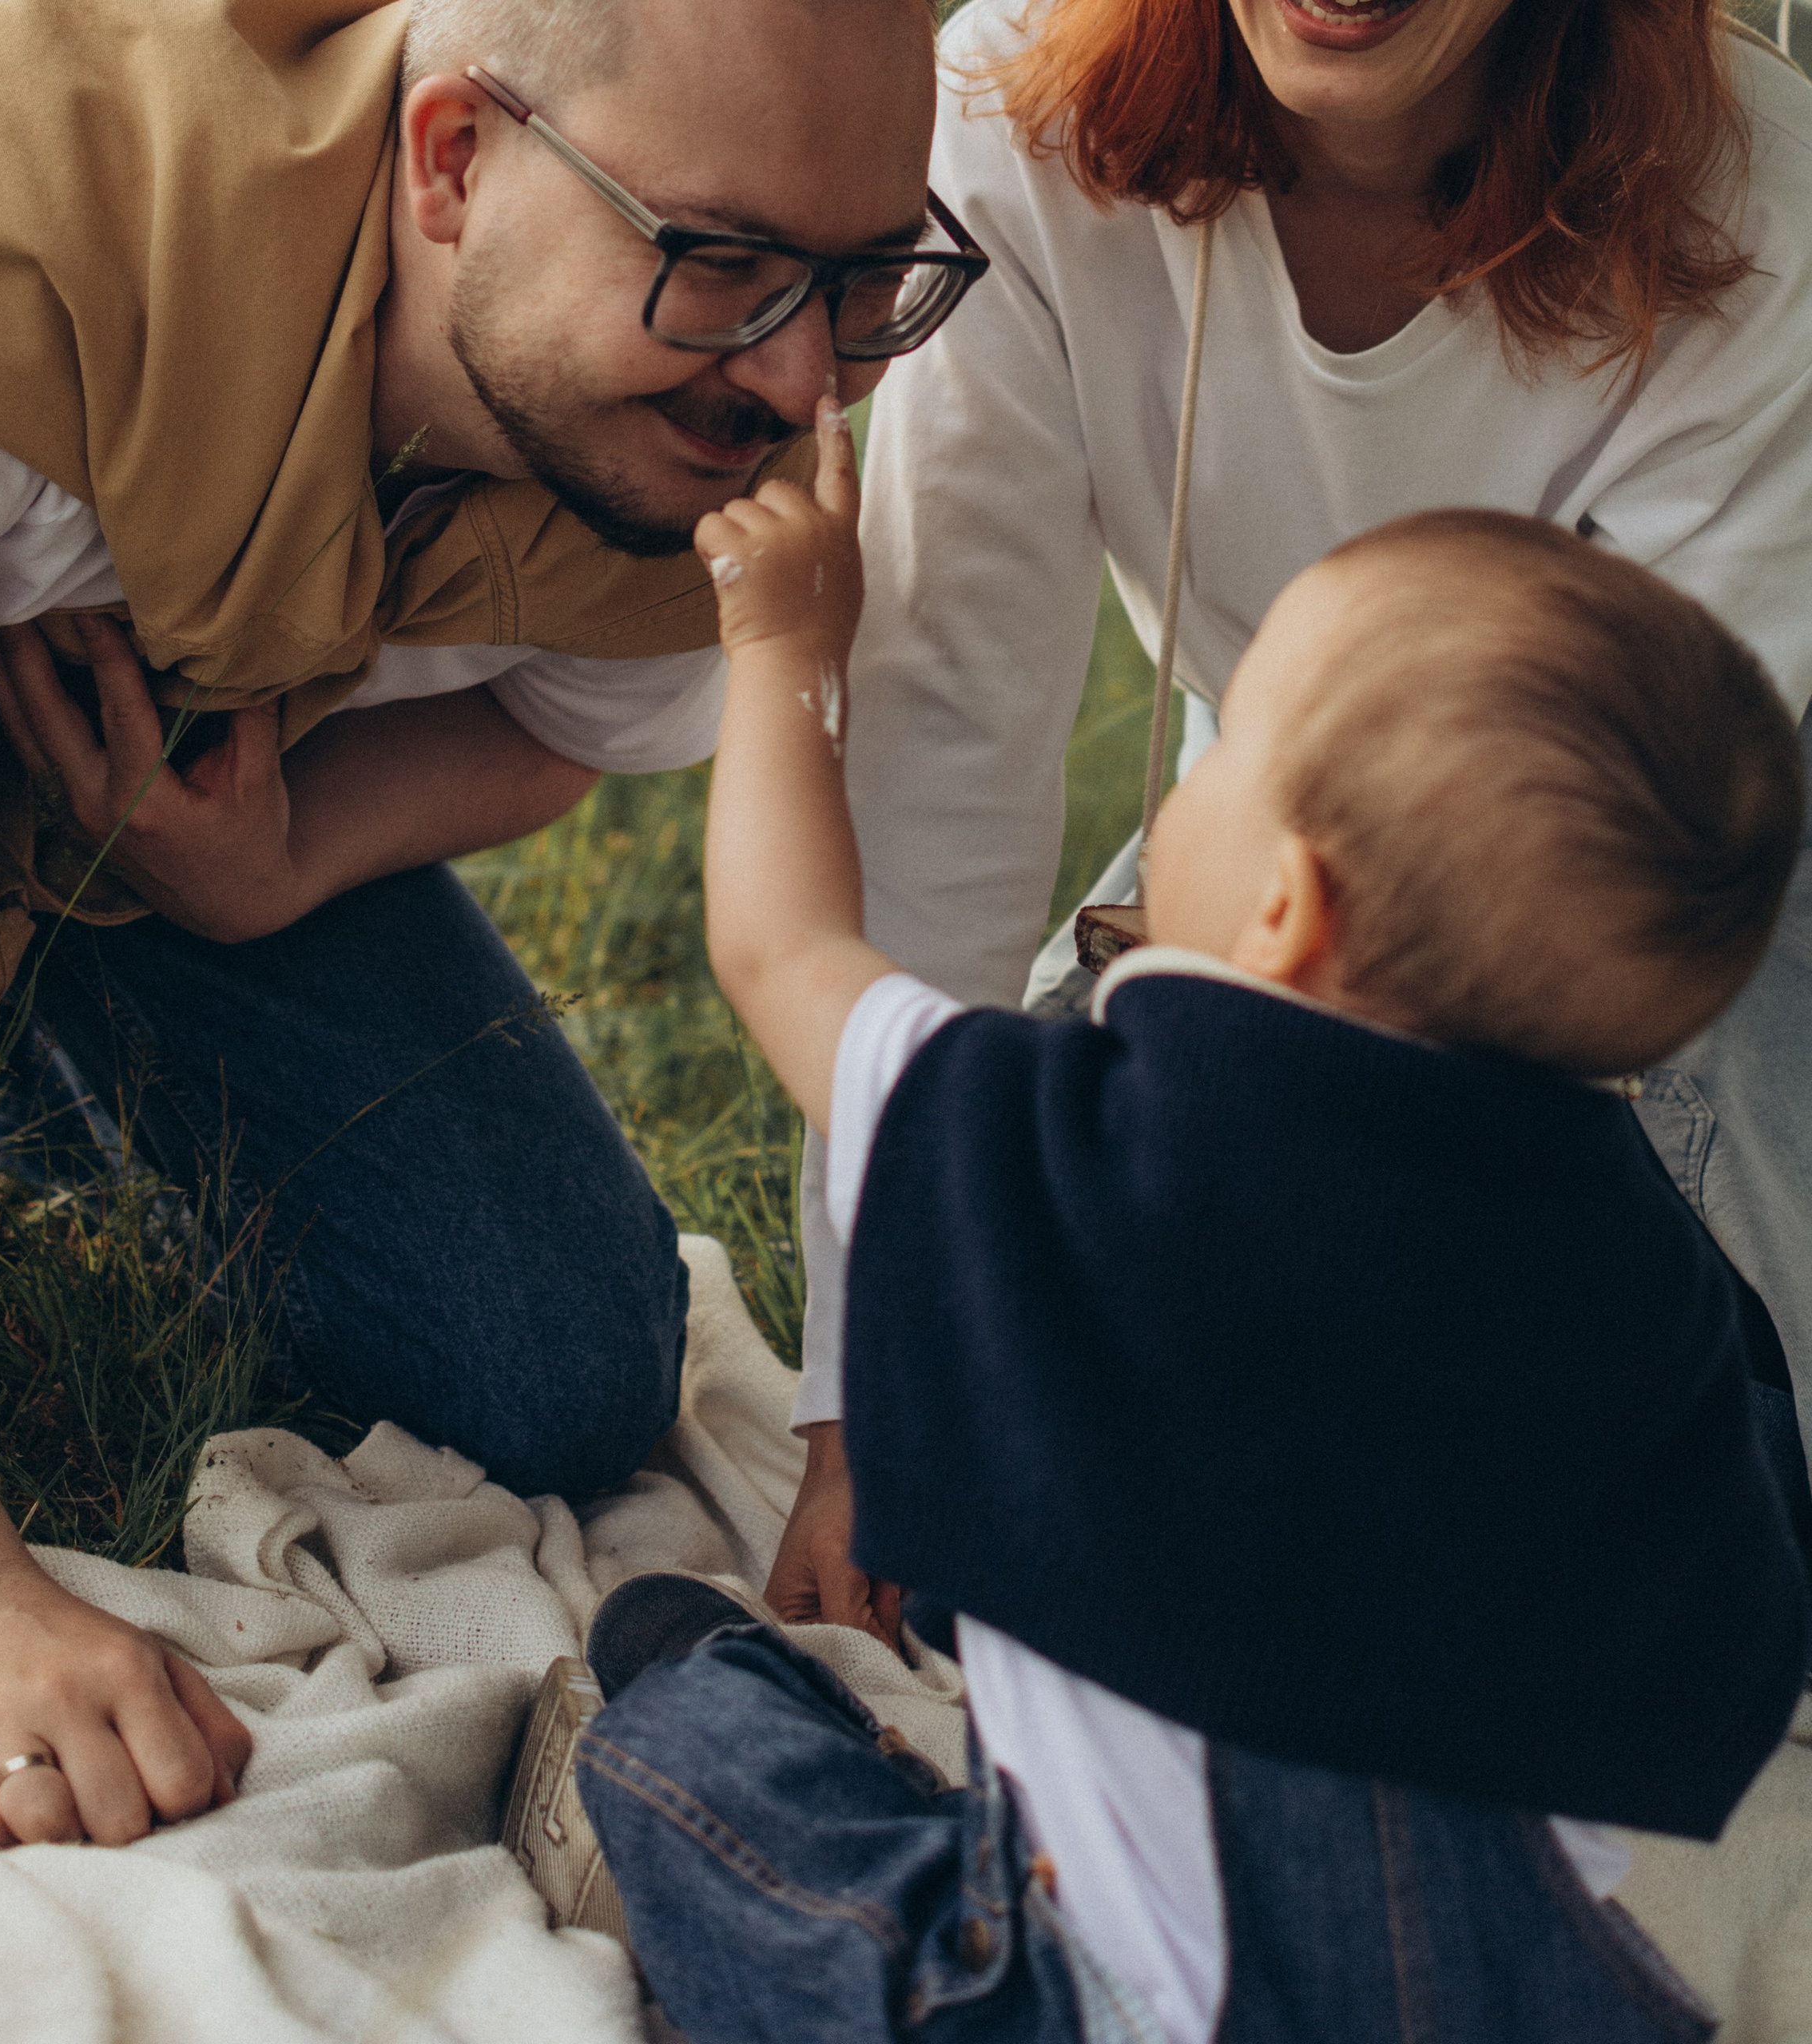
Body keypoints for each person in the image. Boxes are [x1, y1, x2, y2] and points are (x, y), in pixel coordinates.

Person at [0, 0, 986, 1850]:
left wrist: (283, 858)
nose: (800, 382)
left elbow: (570, 719)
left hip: (88, 826)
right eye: (721, 261)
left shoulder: (708, 418)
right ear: (449, 158)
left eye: (863, 277)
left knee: (558, 1367)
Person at [769, 0, 1812, 1635]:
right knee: (1055, 1218)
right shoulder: (1012, 133)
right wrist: (882, 1408)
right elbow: (947, 755)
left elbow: (1596, 919)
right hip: (1302, 839)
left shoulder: (1764, 199)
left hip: (1704, 892)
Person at [543, 414, 1807, 2043]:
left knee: (682, 1766)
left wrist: (780, 640)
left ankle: (737, 1724)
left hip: (1100, 2005)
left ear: (1285, 903)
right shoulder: (1652, 1302)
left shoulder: (1078, 1147)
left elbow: (776, 945)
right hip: (1544, 2002)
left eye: (1226, 747)